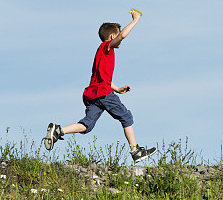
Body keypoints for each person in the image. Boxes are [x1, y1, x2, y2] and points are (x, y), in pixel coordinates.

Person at [43, 9, 156, 163]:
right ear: (111, 37)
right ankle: (135, 150)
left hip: (93, 95)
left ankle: (59, 130)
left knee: (87, 125)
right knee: (126, 117)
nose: (121, 40)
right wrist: (135, 20)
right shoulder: (107, 48)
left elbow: (104, 78)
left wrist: (117, 89)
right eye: (117, 37)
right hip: (103, 94)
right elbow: (122, 35)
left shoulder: (100, 52)